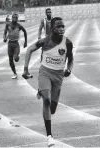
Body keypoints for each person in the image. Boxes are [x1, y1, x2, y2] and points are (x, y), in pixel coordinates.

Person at [22, 17, 73, 147]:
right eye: (58, 26)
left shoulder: (68, 43)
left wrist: (69, 69)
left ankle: (41, 90)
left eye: (63, 26)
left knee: (53, 109)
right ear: (52, 28)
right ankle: (49, 136)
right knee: (47, 100)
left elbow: (71, 59)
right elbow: (29, 50)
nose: (62, 28)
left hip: (58, 77)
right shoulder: (45, 41)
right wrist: (26, 69)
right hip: (45, 72)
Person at [3, 13, 27, 79]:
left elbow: (25, 32)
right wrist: (4, 38)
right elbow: (5, 32)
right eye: (13, 17)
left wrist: (25, 42)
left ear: (17, 18)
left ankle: (17, 56)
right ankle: (14, 73)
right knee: (10, 60)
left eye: (16, 17)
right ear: (12, 18)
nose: (14, 19)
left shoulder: (19, 26)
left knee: (15, 59)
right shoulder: (8, 24)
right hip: (10, 44)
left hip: (16, 44)